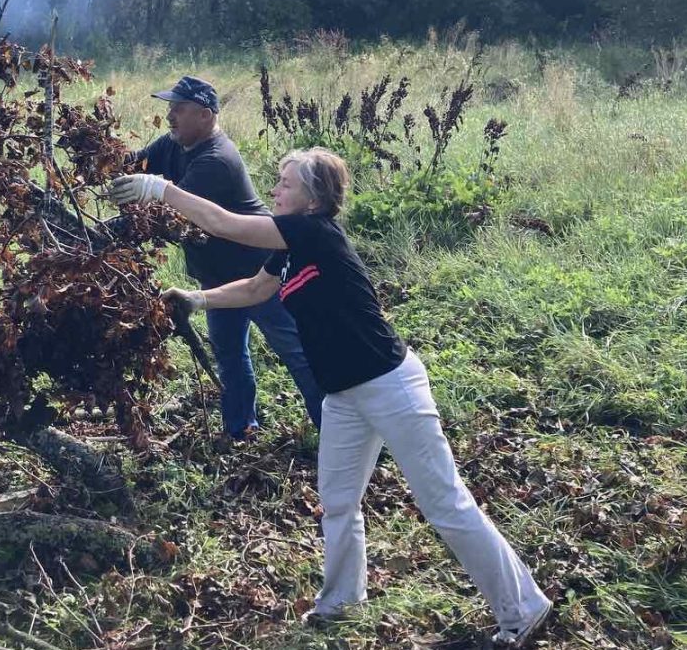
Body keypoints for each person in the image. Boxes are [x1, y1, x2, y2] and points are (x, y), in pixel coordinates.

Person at [110, 148, 552, 646]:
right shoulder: (289, 245)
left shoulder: (313, 233)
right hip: (342, 395)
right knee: (339, 502)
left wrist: (159, 190)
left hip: (388, 383)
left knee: (445, 503)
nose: (275, 190)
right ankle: (342, 599)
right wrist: (198, 298)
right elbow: (257, 289)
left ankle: (523, 609)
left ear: (313, 199)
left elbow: (225, 223)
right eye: (276, 181)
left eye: (286, 184)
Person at [130, 75, 322, 438]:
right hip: (217, 279)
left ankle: (336, 429)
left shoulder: (217, 159)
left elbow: (165, 216)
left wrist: (106, 230)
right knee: (230, 356)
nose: (170, 116)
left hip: (262, 274)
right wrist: (92, 161)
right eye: (169, 107)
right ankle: (241, 431)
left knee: (296, 353)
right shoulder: (173, 143)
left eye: (180, 109)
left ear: (205, 116)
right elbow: (132, 164)